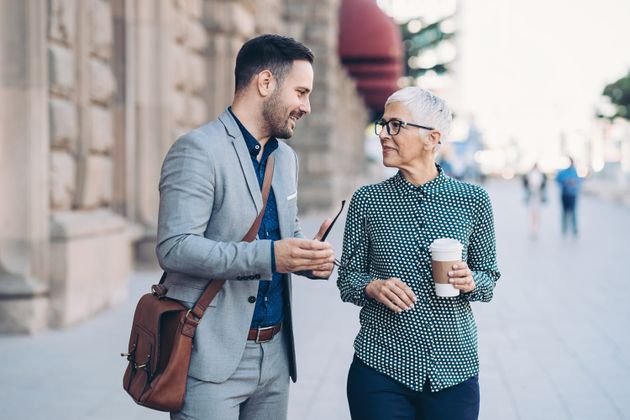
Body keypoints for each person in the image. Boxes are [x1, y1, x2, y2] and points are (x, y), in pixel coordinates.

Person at [156, 34, 335, 420]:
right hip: (210, 358)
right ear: (265, 83)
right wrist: (272, 256)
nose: (306, 107)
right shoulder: (197, 150)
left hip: (275, 359)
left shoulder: (286, 159)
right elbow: (174, 247)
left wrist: (308, 258)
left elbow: (284, 235)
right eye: (301, 92)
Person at [336, 87, 500, 420]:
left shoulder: (474, 200)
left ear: (432, 138)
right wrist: (372, 286)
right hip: (379, 366)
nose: (384, 134)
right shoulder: (367, 201)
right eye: (383, 125)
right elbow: (347, 279)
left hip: (454, 368)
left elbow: (489, 278)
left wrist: (471, 281)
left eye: (395, 125)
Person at [555, 157, 582, 237]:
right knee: (564, 212)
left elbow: (579, 181)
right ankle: (564, 228)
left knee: (573, 212)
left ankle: (574, 228)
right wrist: (565, 182)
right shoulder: (562, 172)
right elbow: (558, 180)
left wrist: (574, 183)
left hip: (573, 194)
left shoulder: (575, 171)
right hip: (565, 194)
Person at [522, 163, 547, 238]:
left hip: (537, 196)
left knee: (536, 214)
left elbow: (543, 186)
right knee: (532, 213)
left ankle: (535, 229)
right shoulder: (530, 175)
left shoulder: (540, 175)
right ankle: (532, 229)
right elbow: (526, 184)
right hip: (532, 196)